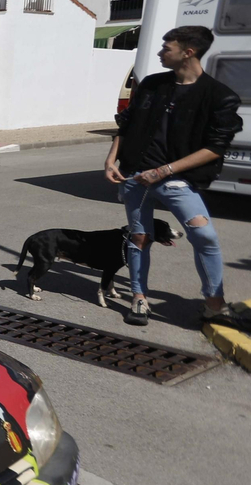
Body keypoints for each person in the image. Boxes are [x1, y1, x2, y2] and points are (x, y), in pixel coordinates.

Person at [104, 25, 243, 326]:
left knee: (205, 236)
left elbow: (215, 148)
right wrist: (112, 158)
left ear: (188, 52)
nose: (159, 52)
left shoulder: (219, 96)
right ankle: (139, 298)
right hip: (135, 177)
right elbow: (127, 124)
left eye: (167, 48)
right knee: (139, 237)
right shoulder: (152, 85)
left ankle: (214, 304)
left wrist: (164, 171)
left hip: (177, 181)